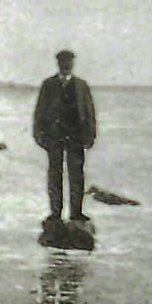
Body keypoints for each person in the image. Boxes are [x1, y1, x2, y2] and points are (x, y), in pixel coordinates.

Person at [32, 50, 97, 221]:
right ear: (58, 63)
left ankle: (76, 212)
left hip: (76, 137)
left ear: (73, 64)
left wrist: (91, 135)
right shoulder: (48, 85)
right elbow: (40, 112)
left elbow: (89, 112)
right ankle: (55, 213)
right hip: (54, 136)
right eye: (63, 62)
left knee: (77, 175)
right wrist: (39, 135)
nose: (66, 65)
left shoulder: (82, 85)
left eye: (69, 62)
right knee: (55, 175)